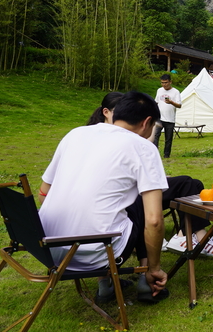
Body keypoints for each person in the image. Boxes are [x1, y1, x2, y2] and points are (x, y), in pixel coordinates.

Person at [38, 91, 170, 304]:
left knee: (115, 202)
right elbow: (154, 220)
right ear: (147, 122)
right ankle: (147, 279)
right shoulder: (143, 147)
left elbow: (43, 191)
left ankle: (105, 285)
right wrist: (154, 267)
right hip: (96, 252)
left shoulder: (76, 134)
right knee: (139, 203)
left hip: (48, 248)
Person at [88, 92, 213, 258]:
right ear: (106, 112)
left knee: (193, 183)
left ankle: (184, 235)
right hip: (130, 201)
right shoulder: (118, 140)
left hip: (65, 237)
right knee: (187, 183)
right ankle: (193, 237)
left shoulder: (81, 136)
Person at [154, 74, 182, 159]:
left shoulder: (176, 92)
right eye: (162, 83)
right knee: (155, 135)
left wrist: (171, 102)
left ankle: (166, 155)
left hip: (170, 119)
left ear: (170, 82)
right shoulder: (159, 90)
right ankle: (155, 154)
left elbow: (179, 105)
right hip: (159, 118)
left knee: (168, 138)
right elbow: (156, 102)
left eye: (166, 83)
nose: (164, 85)